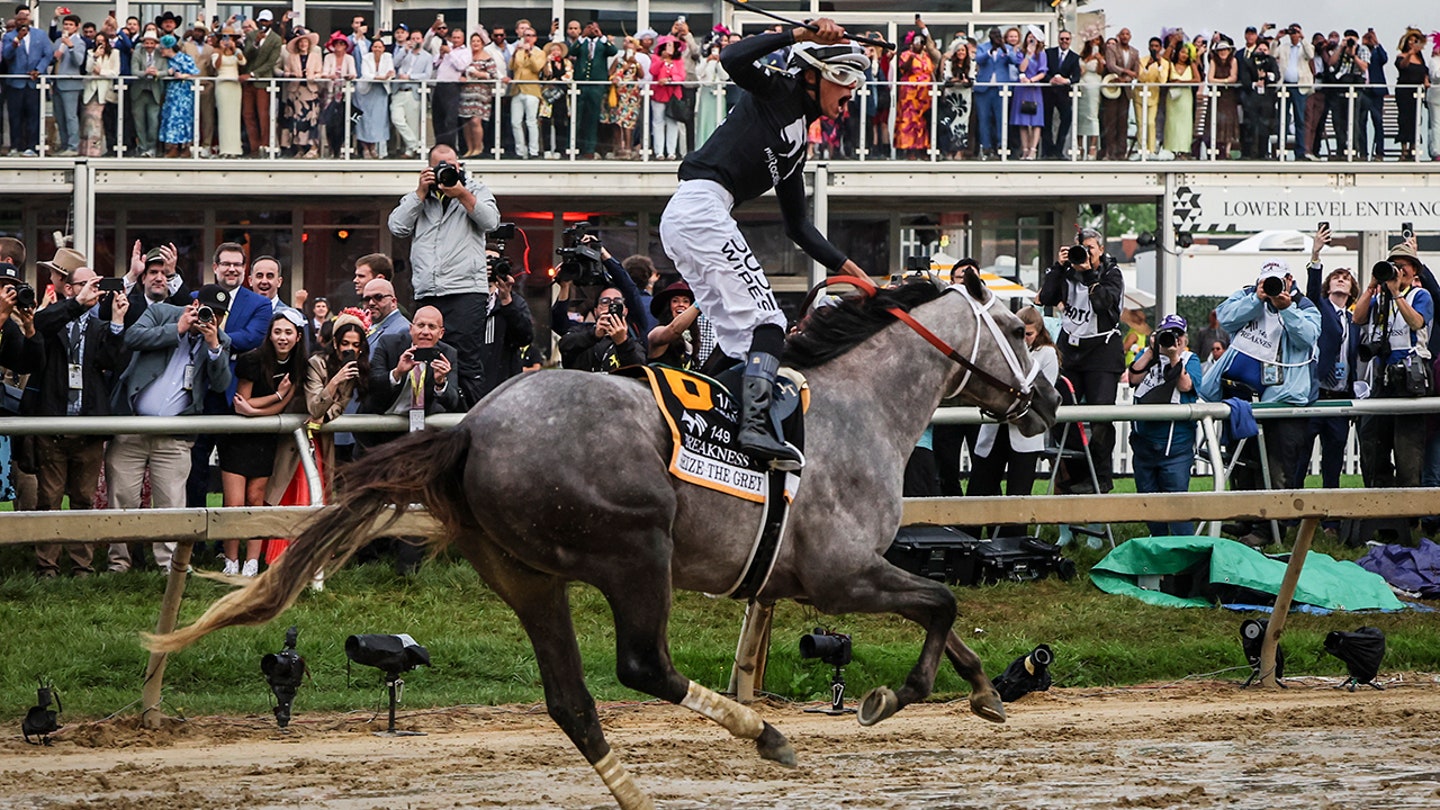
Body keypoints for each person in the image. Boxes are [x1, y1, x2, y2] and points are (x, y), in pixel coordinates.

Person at [659, 20, 870, 469]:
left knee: (741, 342)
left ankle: (703, 424)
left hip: (694, 215)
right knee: (769, 323)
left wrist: (857, 275)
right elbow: (733, 58)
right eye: (846, 80)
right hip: (701, 207)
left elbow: (799, 227)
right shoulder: (779, 91)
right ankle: (753, 430)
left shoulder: (798, 146)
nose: (851, 94)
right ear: (814, 74)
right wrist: (800, 35)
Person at [108, 282, 233, 573]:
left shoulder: (220, 340)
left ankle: (170, 566)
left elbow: (221, 384)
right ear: (193, 303)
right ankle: (119, 564)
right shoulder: (163, 312)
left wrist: (213, 347)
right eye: (205, 310)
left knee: (171, 502)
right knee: (122, 497)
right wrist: (177, 328)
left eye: (217, 314)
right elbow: (133, 337)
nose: (208, 318)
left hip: (175, 437)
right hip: (133, 426)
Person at [1199, 260, 1320, 547]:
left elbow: (1307, 338)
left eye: (1277, 281)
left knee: (1277, 466)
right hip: (1239, 395)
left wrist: (1285, 307)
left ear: (1290, 279)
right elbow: (1225, 318)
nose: (1272, 287)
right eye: (1267, 281)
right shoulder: (1249, 295)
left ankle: (1270, 528)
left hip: (1281, 400)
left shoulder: (1305, 307)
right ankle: (1247, 518)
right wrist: (1257, 298)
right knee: (1244, 462)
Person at [25, 254, 127, 578]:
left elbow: (111, 362)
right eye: (85, 284)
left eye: (96, 285)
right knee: (49, 499)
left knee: (83, 499)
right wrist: (76, 305)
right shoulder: (54, 317)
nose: (92, 290)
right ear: (69, 288)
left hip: (87, 427)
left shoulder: (98, 326)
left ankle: (82, 566)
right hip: (53, 424)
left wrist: (117, 324)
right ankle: (47, 567)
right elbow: (39, 325)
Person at [387, 144, 501, 408]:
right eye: (440, 166)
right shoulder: (420, 197)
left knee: (466, 359)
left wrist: (462, 193)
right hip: (428, 291)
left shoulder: (475, 190)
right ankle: (428, 417)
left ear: (459, 165)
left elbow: (492, 222)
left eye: (451, 165)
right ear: (428, 168)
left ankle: (470, 420)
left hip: (466, 291)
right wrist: (419, 193)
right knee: (425, 356)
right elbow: (396, 226)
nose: (446, 170)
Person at [1037, 228, 1125, 493]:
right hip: (1071, 349)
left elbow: (1102, 303)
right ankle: (1076, 474)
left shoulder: (1111, 273)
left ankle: (1101, 477)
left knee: (1100, 416)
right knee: (1062, 412)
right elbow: (1047, 298)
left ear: (1100, 250)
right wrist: (1058, 266)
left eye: (1091, 249)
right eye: (1081, 249)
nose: (1085, 255)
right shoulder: (1067, 270)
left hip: (1102, 350)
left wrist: (1088, 272)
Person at [220, 308, 306, 577]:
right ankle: (231, 559)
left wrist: (260, 410)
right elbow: (241, 402)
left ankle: (252, 561)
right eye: (277, 331)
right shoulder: (252, 359)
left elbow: (272, 408)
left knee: (257, 499)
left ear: (298, 337)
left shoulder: (299, 365)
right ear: (269, 334)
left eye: (288, 332)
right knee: (234, 502)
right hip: (238, 437)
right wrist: (273, 399)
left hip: (267, 437)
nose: (282, 337)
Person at [965, 306, 1059, 538]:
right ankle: (969, 545)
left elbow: (1040, 393)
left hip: (1024, 432)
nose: (1024, 339)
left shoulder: (1047, 354)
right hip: (995, 428)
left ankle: (1013, 552)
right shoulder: (1001, 351)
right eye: (1020, 333)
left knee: (1019, 496)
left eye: (1029, 334)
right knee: (979, 489)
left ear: (1039, 333)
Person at [1352, 242, 1433, 495]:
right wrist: (1371, 286)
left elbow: (1417, 322)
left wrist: (1398, 293)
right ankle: (1383, 515)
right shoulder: (1379, 298)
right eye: (1393, 265)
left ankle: (1409, 517)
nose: (1398, 270)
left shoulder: (1420, 295)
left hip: (1410, 377)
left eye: (1403, 266)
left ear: (1413, 270)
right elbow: (1357, 318)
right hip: (1383, 376)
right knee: (1373, 441)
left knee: (1407, 450)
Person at [1295, 227, 1357, 528]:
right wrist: (1316, 254)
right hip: (1316, 393)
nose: (1342, 279)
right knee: (1301, 456)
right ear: (1329, 285)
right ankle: (1292, 517)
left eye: (1346, 277)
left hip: (1341, 397)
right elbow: (1311, 288)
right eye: (1337, 277)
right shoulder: (1319, 308)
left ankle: (1329, 521)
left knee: (1334, 461)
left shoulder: (1354, 318)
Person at [1126, 314, 1204, 537]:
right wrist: (1152, 350)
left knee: (1177, 502)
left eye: (1177, 335)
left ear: (1185, 338)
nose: (1173, 339)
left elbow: (1187, 384)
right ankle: (1158, 542)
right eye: (1168, 334)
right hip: (1143, 444)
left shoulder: (1191, 359)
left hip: (1175, 446)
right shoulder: (1148, 355)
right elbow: (1132, 378)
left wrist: (1173, 357)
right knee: (1148, 499)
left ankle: (1184, 551)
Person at [365, 305, 463, 418]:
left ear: (441, 333)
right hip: (381, 421)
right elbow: (371, 385)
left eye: (431, 327)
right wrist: (397, 373)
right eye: (421, 325)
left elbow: (453, 402)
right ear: (411, 329)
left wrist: (440, 383)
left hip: (420, 430)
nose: (425, 332)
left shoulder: (447, 354)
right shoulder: (389, 344)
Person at [303, 312, 369, 479]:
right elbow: (315, 407)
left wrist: (325, 418)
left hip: (336, 432)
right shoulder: (317, 363)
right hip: (306, 436)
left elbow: (340, 405)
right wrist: (335, 381)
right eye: (345, 343)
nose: (350, 349)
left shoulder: (358, 368)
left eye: (355, 345)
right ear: (335, 343)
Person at [477, 262, 534, 397]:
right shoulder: (468, 302)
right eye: (486, 262)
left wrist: (507, 302)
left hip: (504, 385)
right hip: (474, 383)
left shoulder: (515, 302)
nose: (490, 268)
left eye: (495, 263)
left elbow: (525, 337)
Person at [2, 15, 52, 156]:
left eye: (24, 20)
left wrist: (39, 70)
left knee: (33, 116)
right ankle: (15, 147)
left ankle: (32, 147)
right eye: (19, 20)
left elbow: (48, 54)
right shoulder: (9, 36)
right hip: (15, 83)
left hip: (33, 83)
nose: (22, 22)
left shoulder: (40, 35)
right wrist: (16, 40)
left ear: (29, 22)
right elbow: (6, 55)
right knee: (15, 116)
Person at [241, 9, 284, 157]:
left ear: (271, 22)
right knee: (248, 114)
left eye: (266, 21)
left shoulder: (276, 39)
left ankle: (264, 145)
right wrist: (256, 43)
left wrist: (253, 74)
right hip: (249, 82)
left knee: (263, 114)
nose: (263, 23)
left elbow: (271, 62)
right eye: (261, 21)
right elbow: (246, 55)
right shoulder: (252, 35)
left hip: (263, 80)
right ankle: (254, 147)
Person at [895, 26, 942, 159]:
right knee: (909, 121)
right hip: (910, 94)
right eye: (917, 42)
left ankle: (923, 149)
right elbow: (904, 69)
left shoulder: (927, 57)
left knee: (923, 121)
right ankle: (909, 150)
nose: (920, 44)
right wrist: (912, 56)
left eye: (922, 42)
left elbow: (931, 71)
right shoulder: (906, 55)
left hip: (925, 94)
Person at [974, 27, 1018, 160]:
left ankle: (1001, 146)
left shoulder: (1008, 48)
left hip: (1001, 89)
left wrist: (1004, 49)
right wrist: (990, 51)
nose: (996, 37)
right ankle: (986, 147)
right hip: (984, 88)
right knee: (984, 118)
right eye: (993, 35)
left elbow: (1015, 61)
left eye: (998, 35)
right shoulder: (983, 47)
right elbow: (978, 59)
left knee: (1001, 119)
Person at [1272, 24, 1315, 161]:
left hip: (1300, 86)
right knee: (1283, 119)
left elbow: (1311, 55)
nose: (1293, 35)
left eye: (1295, 32)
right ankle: (1280, 150)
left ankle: (1300, 152)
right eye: (1291, 32)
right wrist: (1276, 38)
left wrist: (1303, 38)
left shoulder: (1305, 46)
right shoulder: (1284, 47)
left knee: (1300, 119)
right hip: (1285, 86)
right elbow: (1272, 55)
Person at [281, 28, 323, 159]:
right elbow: (286, 72)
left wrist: (313, 76)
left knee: (311, 120)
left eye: (305, 42)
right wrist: (293, 74)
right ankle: (299, 148)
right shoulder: (291, 57)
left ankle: (313, 147)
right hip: (296, 92)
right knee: (295, 121)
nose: (303, 44)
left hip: (310, 92)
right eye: (301, 42)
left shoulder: (315, 57)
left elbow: (320, 72)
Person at [391, 30, 433, 160]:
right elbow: (394, 64)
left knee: (412, 123)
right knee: (396, 118)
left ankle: (410, 151)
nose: (415, 41)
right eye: (413, 38)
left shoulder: (427, 56)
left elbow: (427, 75)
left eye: (418, 38)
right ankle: (414, 144)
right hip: (399, 91)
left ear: (422, 40)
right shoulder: (404, 52)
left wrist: (410, 77)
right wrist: (404, 51)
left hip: (413, 91)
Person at [51, 13, 86, 157]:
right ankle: (64, 144)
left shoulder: (79, 42)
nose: (67, 27)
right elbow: (51, 58)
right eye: (66, 24)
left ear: (77, 27)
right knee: (59, 116)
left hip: (71, 83)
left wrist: (70, 47)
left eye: (71, 25)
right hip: (57, 82)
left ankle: (73, 146)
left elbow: (78, 61)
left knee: (70, 116)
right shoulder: (59, 40)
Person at [650, 34, 689, 161]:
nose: (670, 48)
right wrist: (662, 61)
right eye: (667, 45)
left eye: (672, 45)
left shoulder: (679, 62)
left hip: (673, 95)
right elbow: (653, 72)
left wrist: (669, 78)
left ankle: (671, 152)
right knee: (658, 122)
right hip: (659, 94)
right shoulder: (656, 59)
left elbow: (681, 76)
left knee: (672, 122)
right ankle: (659, 151)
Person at [1101, 28, 1138, 160]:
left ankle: (1121, 153)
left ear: (1130, 36)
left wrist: (1125, 79)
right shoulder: (1112, 49)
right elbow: (1111, 66)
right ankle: (1110, 152)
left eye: (1127, 34)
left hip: (1126, 89)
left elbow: (1136, 72)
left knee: (1123, 122)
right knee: (1110, 121)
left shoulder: (1134, 52)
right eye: (1122, 34)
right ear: (1119, 36)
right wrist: (1127, 72)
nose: (1125, 36)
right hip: (1112, 88)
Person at [1041, 30, 1079, 159]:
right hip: (1048, 91)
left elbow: (1076, 77)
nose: (1064, 41)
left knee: (1067, 119)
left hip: (1063, 93)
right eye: (1062, 39)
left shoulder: (1074, 57)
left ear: (1070, 40)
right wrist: (1050, 79)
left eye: (1067, 39)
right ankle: (1047, 150)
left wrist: (1065, 81)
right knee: (1046, 121)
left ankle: (1059, 149)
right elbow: (1043, 70)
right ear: (1058, 39)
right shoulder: (1048, 53)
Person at [129, 31, 167, 157]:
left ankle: (152, 148)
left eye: (152, 42)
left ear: (156, 43)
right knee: (139, 121)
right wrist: (145, 72)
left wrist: (157, 73)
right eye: (147, 42)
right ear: (143, 43)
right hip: (139, 91)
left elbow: (166, 70)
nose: (149, 45)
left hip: (154, 91)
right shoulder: (137, 53)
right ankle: (142, 147)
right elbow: (134, 71)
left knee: (153, 121)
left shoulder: (160, 54)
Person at [158, 35, 197, 157]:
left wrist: (183, 76)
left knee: (184, 119)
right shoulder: (165, 61)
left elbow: (194, 73)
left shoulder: (185, 58)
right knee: (171, 118)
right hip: (171, 92)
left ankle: (185, 147)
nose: (161, 51)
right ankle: (173, 146)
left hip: (184, 93)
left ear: (169, 48)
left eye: (163, 48)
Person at [81, 35, 121, 157]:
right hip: (91, 90)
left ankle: (106, 149)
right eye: (98, 41)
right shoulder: (90, 52)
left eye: (102, 41)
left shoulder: (114, 53)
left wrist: (101, 72)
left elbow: (116, 72)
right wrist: (94, 56)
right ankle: (88, 150)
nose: (100, 43)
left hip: (106, 92)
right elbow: (88, 69)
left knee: (105, 122)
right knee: (89, 121)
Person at [355, 37, 394, 159]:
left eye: (380, 47)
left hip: (380, 90)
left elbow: (390, 72)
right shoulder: (366, 57)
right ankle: (365, 148)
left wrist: (383, 78)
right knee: (364, 120)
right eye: (375, 46)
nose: (377, 49)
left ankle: (373, 147)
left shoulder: (388, 57)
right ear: (371, 48)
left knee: (378, 120)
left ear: (383, 48)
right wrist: (381, 77)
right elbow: (365, 74)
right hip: (365, 91)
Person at [1393, 28, 1428, 162]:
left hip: (1417, 93)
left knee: (1416, 119)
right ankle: (1404, 149)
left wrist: (1425, 80)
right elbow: (1403, 66)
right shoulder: (1402, 56)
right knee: (1404, 118)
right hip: (1404, 91)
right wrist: (1409, 54)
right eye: (1411, 41)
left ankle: (1414, 147)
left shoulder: (1421, 59)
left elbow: (1424, 71)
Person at [647, 281, 700, 368]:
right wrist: (699, 303)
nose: (681, 305)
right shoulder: (657, 332)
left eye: (686, 301)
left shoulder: (693, 335)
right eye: (675, 301)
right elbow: (673, 330)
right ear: (668, 307)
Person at [460, 31, 496, 159]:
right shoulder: (466, 57)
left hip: (481, 93)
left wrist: (479, 74)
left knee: (476, 120)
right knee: (466, 121)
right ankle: (470, 148)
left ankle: (478, 147)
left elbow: (493, 75)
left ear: (482, 43)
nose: (475, 44)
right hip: (466, 92)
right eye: (473, 41)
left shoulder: (488, 58)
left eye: (478, 41)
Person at [211, 29, 245, 157]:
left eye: (230, 38)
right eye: (225, 38)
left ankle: (235, 149)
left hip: (235, 84)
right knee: (224, 116)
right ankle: (224, 149)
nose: (227, 41)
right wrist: (221, 51)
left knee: (234, 117)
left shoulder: (237, 51)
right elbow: (217, 66)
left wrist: (235, 49)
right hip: (222, 84)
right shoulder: (216, 52)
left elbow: (243, 62)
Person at [1163, 42, 1199, 157]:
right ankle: (1171, 149)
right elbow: (1164, 60)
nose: (1184, 55)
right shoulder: (1170, 65)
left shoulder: (1191, 65)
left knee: (1185, 123)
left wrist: (1182, 82)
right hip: (1172, 97)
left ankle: (1184, 150)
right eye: (1182, 52)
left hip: (1185, 96)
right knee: (1172, 122)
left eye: (1187, 54)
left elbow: (1197, 79)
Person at [1208, 39, 1241, 158]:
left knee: (1229, 122)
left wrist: (1220, 81)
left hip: (1229, 96)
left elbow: (1233, 78)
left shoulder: (1233, 61)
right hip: (1217, 95)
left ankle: (1227, 150)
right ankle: (1215, 148)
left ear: (1229, 50)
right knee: (1216, 121)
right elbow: (1210, 79)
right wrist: (1225, 81)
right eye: (1220, 50)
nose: (1223, 52)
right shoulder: (1213, 61)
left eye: (1225, 50)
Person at [1076, 32, 1105, 160]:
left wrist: (1098, 58)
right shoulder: (1082, 55)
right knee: (1080, 115)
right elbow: (1080, 71)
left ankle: (1093, 146)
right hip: (1082, 84)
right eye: (1092, 40)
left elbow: (1100, 71)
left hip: (1094, 85)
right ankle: (1079, 146)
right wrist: (1088, 59)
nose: (1095, 42)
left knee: (1092, 114)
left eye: (1097, 40)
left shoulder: (1102, 55)